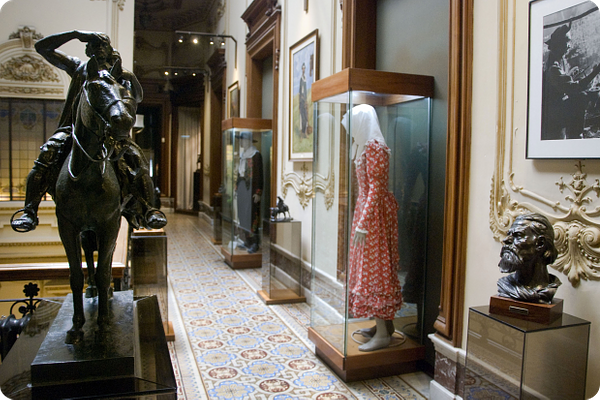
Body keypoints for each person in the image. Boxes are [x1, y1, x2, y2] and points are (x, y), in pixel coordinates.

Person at [10, 30, 166, 233]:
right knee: (46, 155)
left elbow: (137, 97)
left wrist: (128, 76)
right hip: (74, 130)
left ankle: (148, 209)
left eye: (103, 45)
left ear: (110, 50)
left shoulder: (119, 73)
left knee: (137, 159)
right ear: (88, 49)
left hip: (111, 135)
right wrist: (75, 34)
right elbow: (43, 47)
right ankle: (30, 211)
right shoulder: (79, 68)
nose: (99, 49)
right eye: (94, 45)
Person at [342, 104, 402, 352]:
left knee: (375, 268)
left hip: (374, 215)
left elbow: (376, 188)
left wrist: (364, 222)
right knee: (369, 267)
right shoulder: (365, 145)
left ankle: (383, 334)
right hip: (367, 210)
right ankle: (384, 327)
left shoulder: (375, 147)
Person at [542, 23, 600, 140]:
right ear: (558, 45)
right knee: (582, 97)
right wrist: (595, 72)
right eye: (567, 42)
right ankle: (576, 136)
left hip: (555, 107)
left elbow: (565, 82)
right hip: (554, 114)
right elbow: (573, 88)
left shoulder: (558, 59)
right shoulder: (553, 68)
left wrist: (571, 75)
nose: (569, 46)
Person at [497, 213, 561, 304]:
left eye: (518, 235)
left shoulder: (547, 290)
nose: (506, 239)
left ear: (540, 243)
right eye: (509, 234)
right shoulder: (505, 286)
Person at [236, 132, 263, 253]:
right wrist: (237, 187)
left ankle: (255, 242)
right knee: (243, 215)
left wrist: (258, 192)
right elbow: (239, 173)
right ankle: (247, 239)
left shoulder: (256, 155)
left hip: (251, 190)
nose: (241, 142)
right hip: (243, 189)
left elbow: (259, 175)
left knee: (252, 214)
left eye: (243, 140)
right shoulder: (243, 155)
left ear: (248, 141)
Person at [298, 63, 308, 138]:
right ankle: (302, 133)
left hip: (305, 101)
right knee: (302, 118)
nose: (304, 70)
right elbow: (300, 91)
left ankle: (305, 132)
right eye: (303, 68)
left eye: (305, 68)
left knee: (306, 117)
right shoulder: (301, 79)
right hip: (301, 102)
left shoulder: (305, 78)